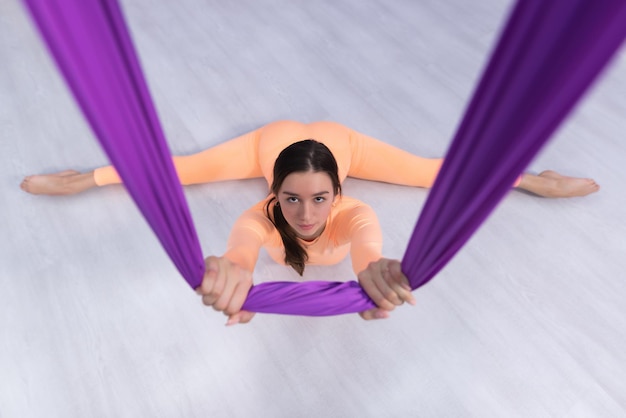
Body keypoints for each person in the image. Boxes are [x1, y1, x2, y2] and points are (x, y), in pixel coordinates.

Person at [20, 120, 600, 324]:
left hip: (333, 140)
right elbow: (242, 250)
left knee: (430, 174)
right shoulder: (258, 213)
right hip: (271, 142)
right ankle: (83, 176)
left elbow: (367, 253)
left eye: (321, 201)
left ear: (339, 192)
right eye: (291, 201)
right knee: (181, 171)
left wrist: (374, 273)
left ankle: (528, 175)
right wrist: (233, 272)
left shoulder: (356, 210)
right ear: (273, 193)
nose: (305, 216)